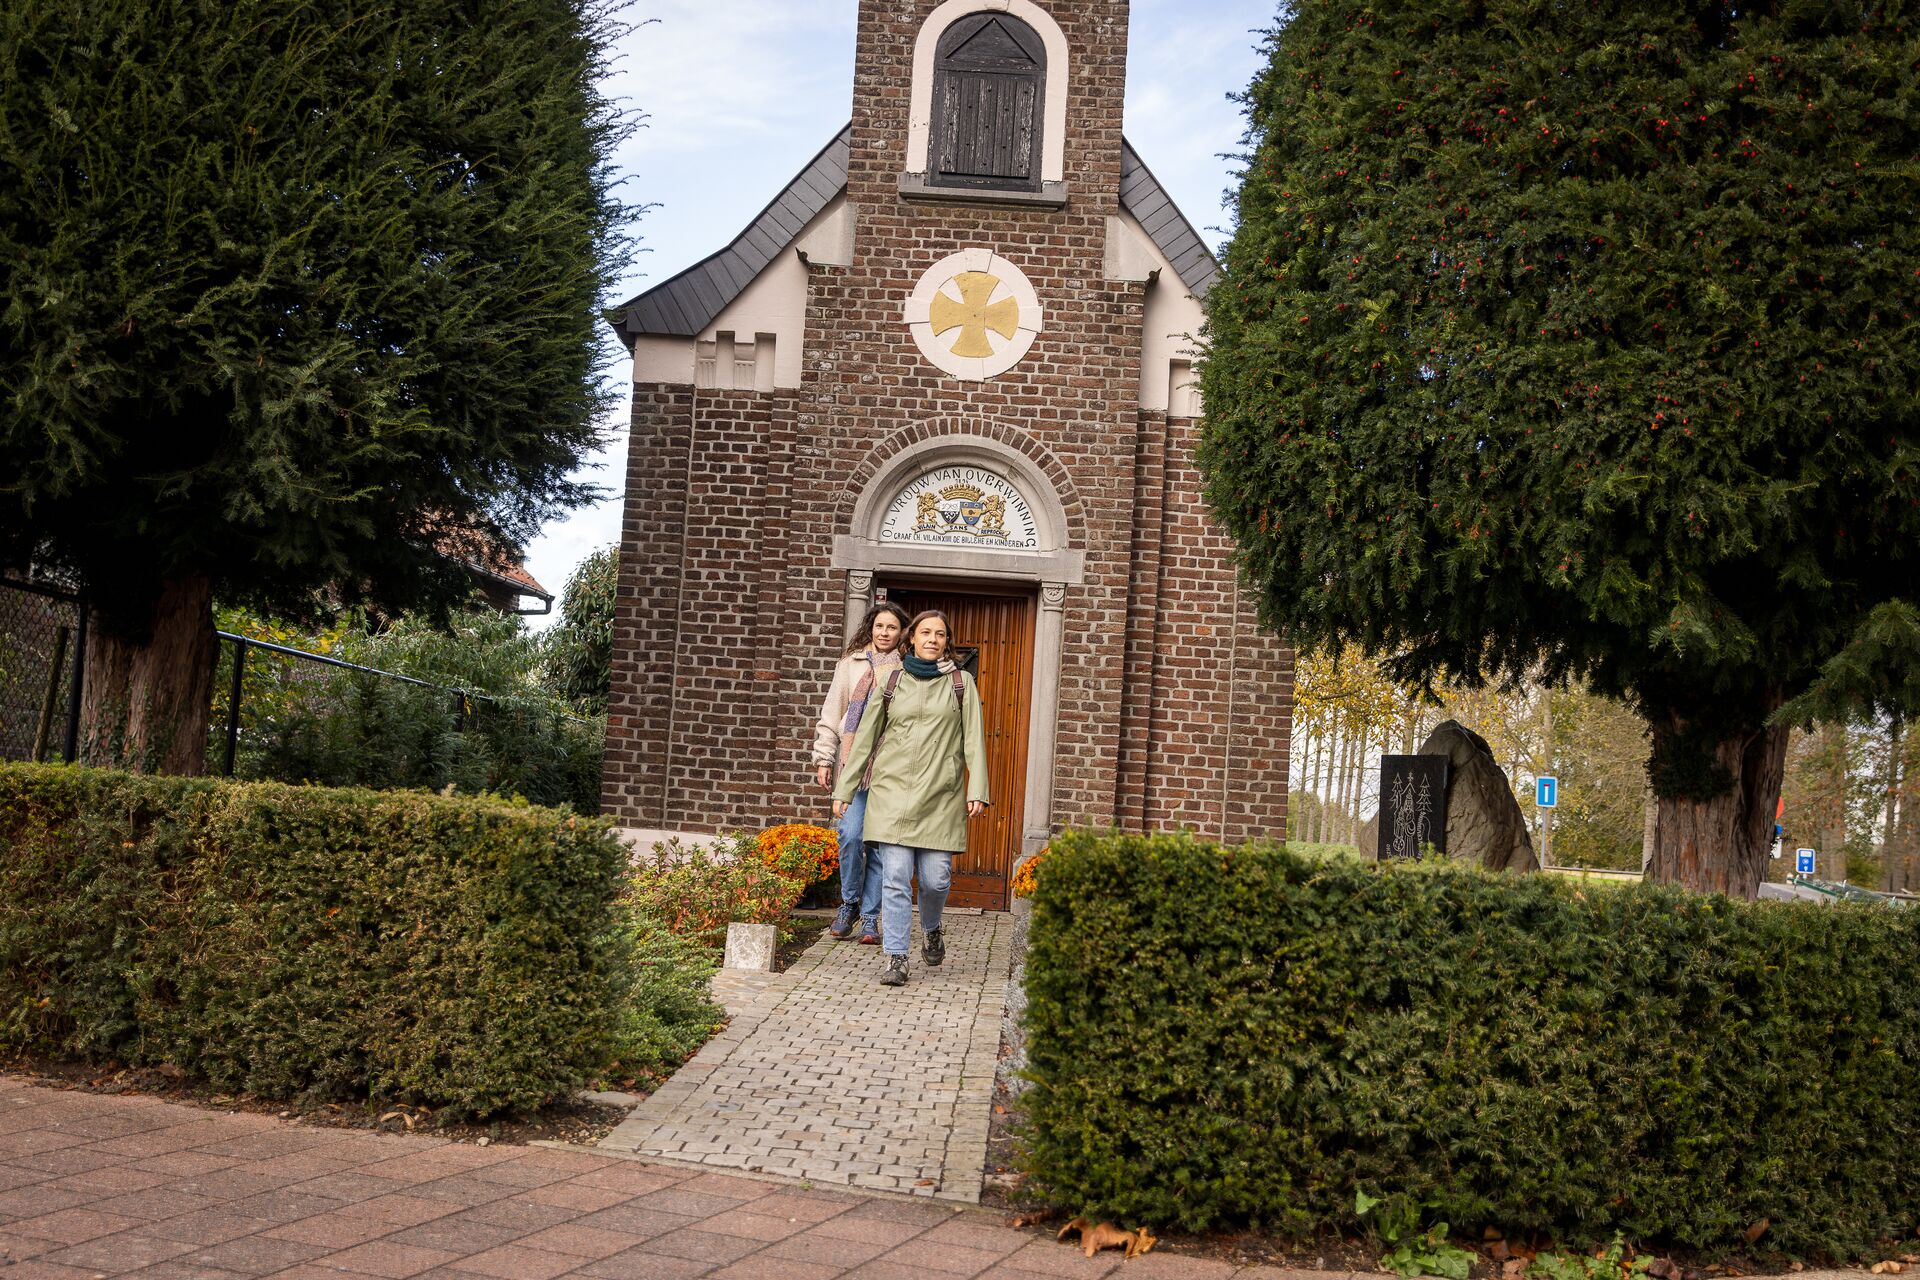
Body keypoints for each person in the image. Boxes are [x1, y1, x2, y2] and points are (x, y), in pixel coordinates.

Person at [833, 609, 989, 987]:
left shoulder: (961, 683)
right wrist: (845, 790)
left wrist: (978, 788)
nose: (932, 639)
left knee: (936, 880)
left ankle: (932, 927)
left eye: (939, 634)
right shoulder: (891, 681)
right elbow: (865, 740)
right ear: (912, 639)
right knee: (897, 876)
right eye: (925, 633)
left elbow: (974, 739)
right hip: (892, 795)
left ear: (946, 641)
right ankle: (896, 957)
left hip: (940, 795)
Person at [812, 602, 910, 943]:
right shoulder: (849, 665)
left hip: (889, 769)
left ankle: (869, 918)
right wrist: (825, 758)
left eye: (892, 628)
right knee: (850, 836)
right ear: (871, 628)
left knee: (880, 845)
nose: (884, 633)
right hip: (853, 766)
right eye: (879, 626)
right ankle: (849, 903)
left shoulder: (906, 669)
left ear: (901, 634)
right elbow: (831, 713)